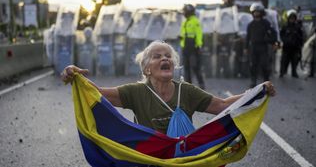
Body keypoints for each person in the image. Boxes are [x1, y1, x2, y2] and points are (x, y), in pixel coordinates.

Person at [61, 40, 276, 134]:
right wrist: (73, 74)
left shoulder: (187, 91)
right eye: (157, 56)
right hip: (148, 158)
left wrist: (256, 92)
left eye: (168, 56)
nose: (165, 59)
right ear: (146, 70)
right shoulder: (135, 92)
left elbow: (222, 105)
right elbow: (97, 94)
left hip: (182, 158)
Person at [246, 3, 278, 88]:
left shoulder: (266, 23)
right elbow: (248, 37)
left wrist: (274, 42)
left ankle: (266, 81)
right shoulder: (250, 24)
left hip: (263, 47)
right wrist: (246, 48)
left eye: (258, 12)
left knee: (264, 64)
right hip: (253, 47)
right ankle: (253, 81)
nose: (256, 13)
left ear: (261, 12)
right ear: (252, 13)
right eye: (255, 12)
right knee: (253, 65)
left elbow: (273, 32)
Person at [180, 4, 205, 89]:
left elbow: (199, 34)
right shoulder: (185, 22)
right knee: (186, 67)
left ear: (189, 12)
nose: (183, 13)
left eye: (185, 11)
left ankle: (201, 85)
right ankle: (188, 85)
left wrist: (198, 46)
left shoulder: (195, 21)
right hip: (185, 47)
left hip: (193, 47)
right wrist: (181, 38)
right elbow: (184, 34)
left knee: (195, 67)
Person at [279, 9, 303, 78]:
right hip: (286, 47)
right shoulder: (285, 26)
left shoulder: (298, 27)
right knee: (284, 61)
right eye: (291, 18)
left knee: (294, 61)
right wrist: (285, 40)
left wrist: (300, 44)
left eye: (293, 18)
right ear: (288, 18)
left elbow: (301, 36)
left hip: (295, 48)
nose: (292, 20)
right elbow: (281, 35)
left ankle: (294, 72)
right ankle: (282, 72)